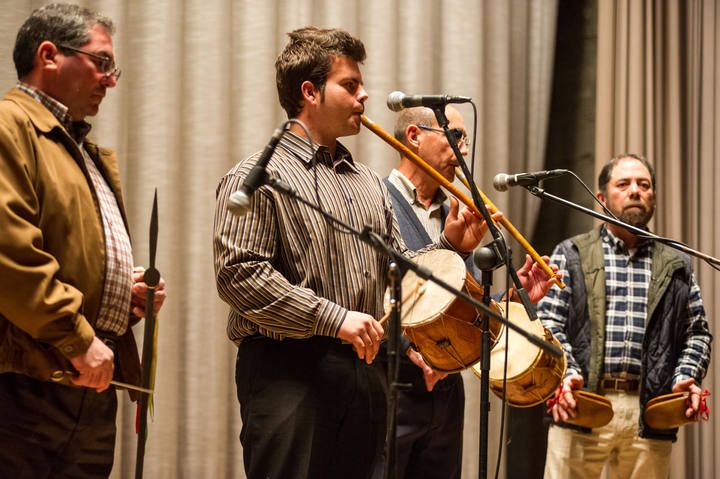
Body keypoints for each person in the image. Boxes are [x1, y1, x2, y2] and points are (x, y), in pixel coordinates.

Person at [213, 27, 492, 479]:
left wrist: (450, 246)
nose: (364, 96)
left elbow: (400, 271)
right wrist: (334, 318)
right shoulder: (256, 174)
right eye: (350, 85)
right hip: (289, 371)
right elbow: (240, 276)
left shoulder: (366, 182)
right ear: (310, 92)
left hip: (365, 373)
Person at [0, 4, 166, 477]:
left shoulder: (77, 147)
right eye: (101, 62)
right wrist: (75, 338)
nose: (111, 80)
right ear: (49, 55)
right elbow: (9, 253)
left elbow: (72, 254)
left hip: (84, 379)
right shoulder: (9, 127)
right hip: (28, 381)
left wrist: (124, 293)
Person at [374, 105, 558, 479]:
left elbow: (465, 305)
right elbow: (369, 290)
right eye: (456, 137)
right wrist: (417, 351)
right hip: (391, 384)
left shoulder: (454, 210)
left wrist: (514, 298)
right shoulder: (373, 199)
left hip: (446, 395)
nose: (465, 152)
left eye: (465, 140)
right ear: (414, 137)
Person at [540, 154, 712, 479]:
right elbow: (549, 323)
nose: (635, 190)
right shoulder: (571, 253)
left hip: (649, 411)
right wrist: (567, 374)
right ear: (602, 198)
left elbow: (698, 333)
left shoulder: (676, 263)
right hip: (583, 401)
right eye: (624, 184)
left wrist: (686, 374)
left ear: (654, 197)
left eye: (643, 184)